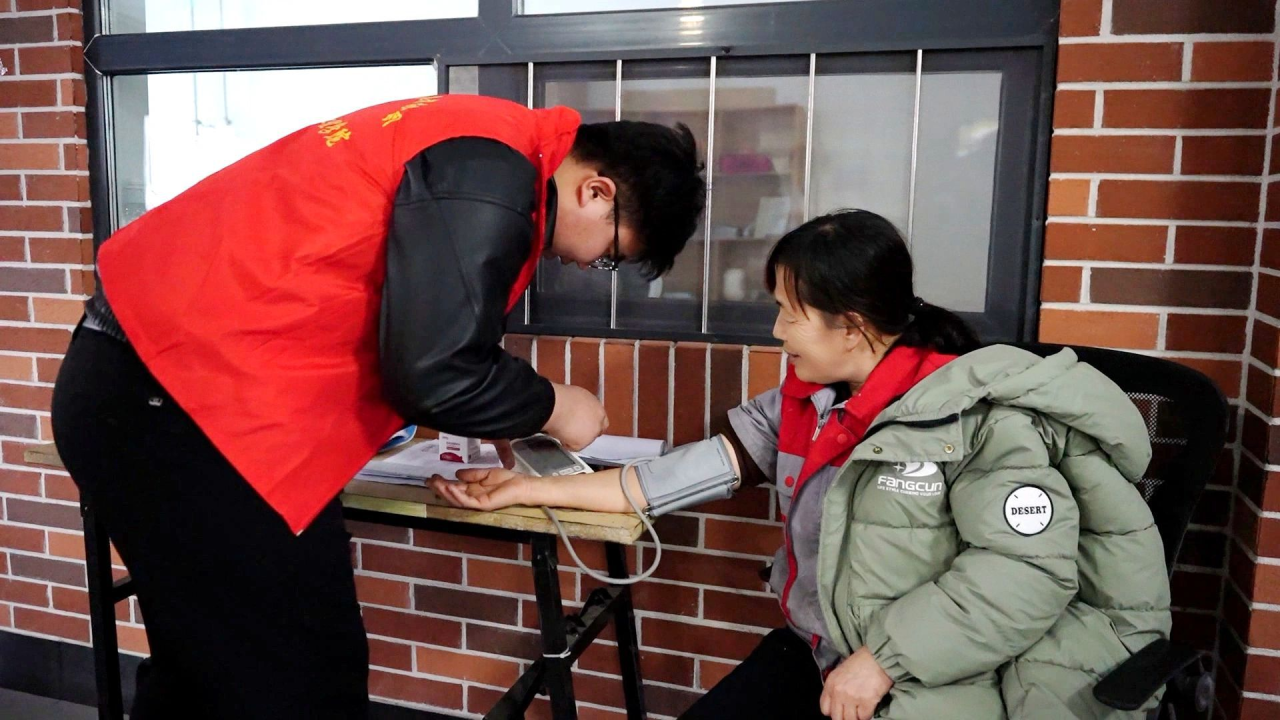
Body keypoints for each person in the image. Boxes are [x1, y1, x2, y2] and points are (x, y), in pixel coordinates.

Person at [50, 93, 706, 719]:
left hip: (155, 389)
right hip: (176, 403)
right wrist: (554, 405)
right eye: (611, 257)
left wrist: (501, 408)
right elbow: (435, 371)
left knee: (209, 671)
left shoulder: (482, 140)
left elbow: (425, 331)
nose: (589, 266)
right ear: (597, 192)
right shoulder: (491, 169)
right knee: (303, 680)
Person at [435, 209, 1171, 719]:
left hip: (940, 677)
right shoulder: (807, 403)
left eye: (790, 312)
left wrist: (882, 661)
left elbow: (1027, 572)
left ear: (851, 327)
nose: (777, 329)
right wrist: (523, 488)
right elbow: (661, 482)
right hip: (821, 653)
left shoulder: (980, 419)